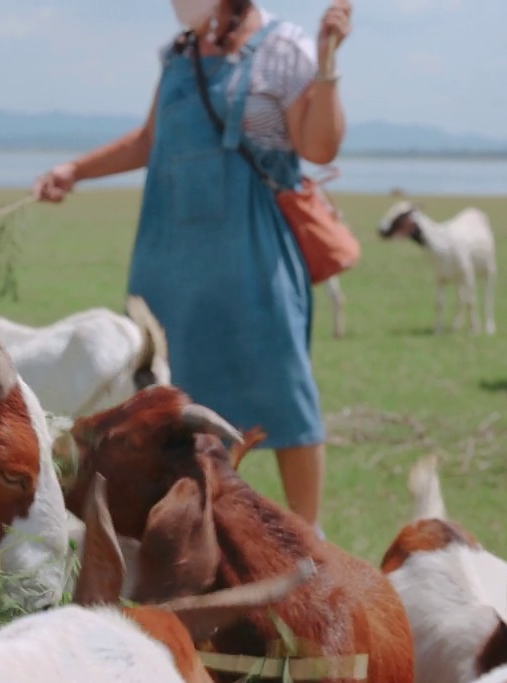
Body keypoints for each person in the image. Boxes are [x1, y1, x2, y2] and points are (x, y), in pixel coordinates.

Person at [34, 0, 352, 531]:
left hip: (256, 259)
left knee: (285, 395)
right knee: (169, 404)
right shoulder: (178, 54)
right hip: (169, 263)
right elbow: (147, 141)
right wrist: (75, 170)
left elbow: (320, 146)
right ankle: (187, 538)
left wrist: (326, 64)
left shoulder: (284, 47)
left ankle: (308, 541)